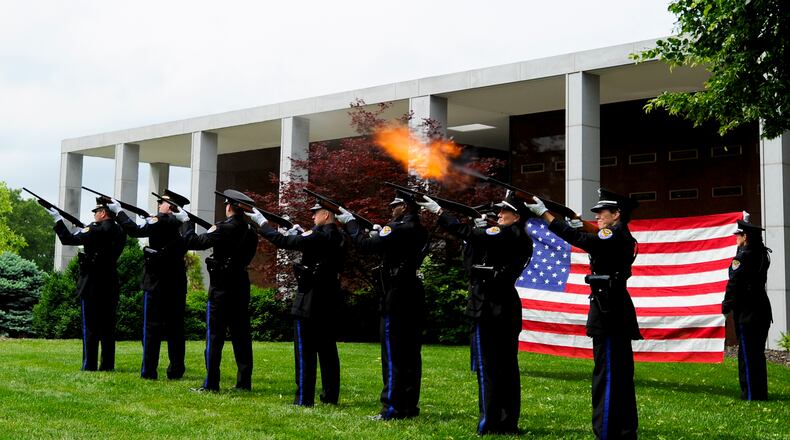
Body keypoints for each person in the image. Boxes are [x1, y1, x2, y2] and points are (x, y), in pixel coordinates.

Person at [526, 189, 641, 440]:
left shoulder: (614, 234)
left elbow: (583, 241)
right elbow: (592, 237)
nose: (598, 216)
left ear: (617, 214)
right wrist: (579, 224)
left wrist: (546, 215)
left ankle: (609, 430)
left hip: (609, 311)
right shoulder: (616, 235)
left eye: (603, 212)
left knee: (608, 373)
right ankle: (623, 429)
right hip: (613, 307)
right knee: (617, 373)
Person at [418, 191, 533, 435]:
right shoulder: (511, 237)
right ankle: (506, 421)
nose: (499, 215)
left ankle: (490, 423)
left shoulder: (510, 234)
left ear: (517, 216)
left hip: (489, 308)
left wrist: (440, 213)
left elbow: (469, 234)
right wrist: (476, 235)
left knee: (489, 368)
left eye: (505, 211)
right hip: (503, 308)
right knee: (506, 369)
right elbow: (472, 264)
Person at [336, 190, 428, 420]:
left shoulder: (398, 228)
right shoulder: (419, 229)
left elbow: (365, 246)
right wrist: (381, 232)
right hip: (412, 293)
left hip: (395, 295)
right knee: (410, 355)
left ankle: (392, 407)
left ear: (405, 207)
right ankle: (408, 406)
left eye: (395, 206)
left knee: (393, 353)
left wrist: (351, 224)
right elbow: (392, 244)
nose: (391, 209)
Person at [246, 200, 345, 406]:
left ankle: (304, 398)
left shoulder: (318, 235)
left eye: (315, 213)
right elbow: (314, 245)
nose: (312, 217)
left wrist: (262, 223)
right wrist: (299, 233)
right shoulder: (338, 236)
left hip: (309, 299)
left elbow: (282, 242)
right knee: (328, 351)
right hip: (330, 299)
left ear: (326, 215)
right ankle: (330, 396)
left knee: (305, 352)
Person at [175, 189, 259, 392]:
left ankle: (211, 383)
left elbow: (193, 242)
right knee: (242, 337)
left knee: (215, 337)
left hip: (221, 288)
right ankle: (244, 382)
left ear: (230, 207)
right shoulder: (251, 230)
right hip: (240, 286)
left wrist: (187, 223)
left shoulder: (223, 228)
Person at [108, 189, 190, 380]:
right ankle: (176, 370)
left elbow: (135, 231)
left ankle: (149, 371)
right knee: (176, 329)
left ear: (169, 206)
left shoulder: (160, 220)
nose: (159, 205)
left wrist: (118, 211)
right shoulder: (180, 224)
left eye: (161, 203)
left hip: (156, 282)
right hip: (176, 282)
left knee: (151, 328)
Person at [48, 197, 126, 371]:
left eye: (96, 212)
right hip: (110, 283)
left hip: (92, 284)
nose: (95, 215)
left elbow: (68, 239)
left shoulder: (94, 229)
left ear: (103, 213)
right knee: (107, 328)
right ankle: (107, 365)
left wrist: (57, 220)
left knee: (90, 327)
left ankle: (89, 365)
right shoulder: (120, 231)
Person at [722, 218, 772, 400]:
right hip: (762, 309)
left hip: (748, 311)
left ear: (746, 237)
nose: (736, 238)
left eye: (739, 235)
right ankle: (760, 392)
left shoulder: (743, 256)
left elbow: (734, 282)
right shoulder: (762, 254)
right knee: (757, 354)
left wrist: (726, 306)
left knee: (747, 355)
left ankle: (751, 394)